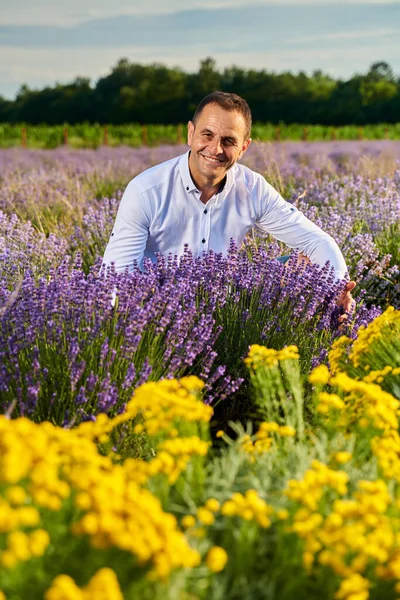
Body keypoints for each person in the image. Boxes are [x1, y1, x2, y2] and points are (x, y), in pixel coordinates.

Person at [103, 91, 355, 321]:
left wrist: (336, 290)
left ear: (244, 147)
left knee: (306, 266)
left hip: (226, 296)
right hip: (160, 303)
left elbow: (317, 242)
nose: (215, 149)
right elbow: (116, 277)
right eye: (207, 135)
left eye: (229, 141)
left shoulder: (252, 187)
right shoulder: (146, 191)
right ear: (190, 133)